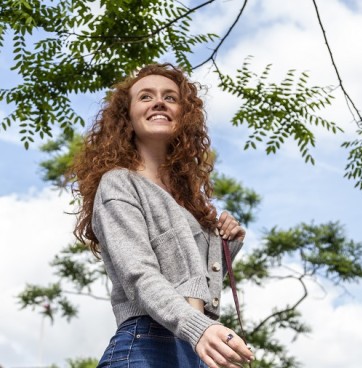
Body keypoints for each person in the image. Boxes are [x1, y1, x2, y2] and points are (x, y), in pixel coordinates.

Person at [71, 63, 254, 368]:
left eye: (170, 97)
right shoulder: (119, 183)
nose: (159, 102)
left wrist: (226, 246)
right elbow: (139, 275)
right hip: (147, 345)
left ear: (184, 115)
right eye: (146, 97)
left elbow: (192, 284)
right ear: (127, 117)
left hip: (196, 349)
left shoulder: (192, 203)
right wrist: (200, 328)